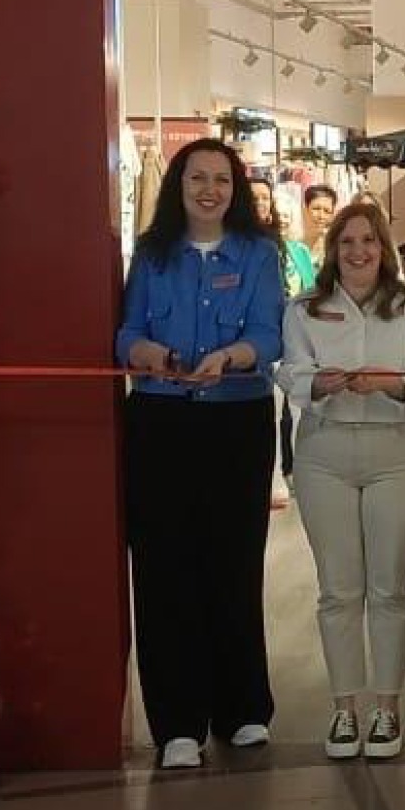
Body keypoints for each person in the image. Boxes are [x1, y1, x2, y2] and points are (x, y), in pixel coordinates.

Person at [116, 139, 286, 769]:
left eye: (221, 179)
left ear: (235, 189)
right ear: (178, 186)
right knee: (164, 567)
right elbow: (126, 332)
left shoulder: (260, 255)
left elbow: (268, 333)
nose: (210, 190)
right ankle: (177, 724)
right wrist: (150, 355)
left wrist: (231, 358)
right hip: (160, 421)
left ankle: (242, 708)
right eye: (197, 178)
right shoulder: (152, 255)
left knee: (234, 562)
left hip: (236, 420)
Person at [278, 203, 405, 761]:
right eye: (347, 241)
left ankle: (387, 706)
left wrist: (392, 383)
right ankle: (344, 706)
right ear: (332, 249)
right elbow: (290, 371)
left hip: (398, 453)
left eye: (369, 240)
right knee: (338, 588)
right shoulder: (304, 308)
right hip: (324, 454)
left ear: (384, 248)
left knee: (389, 585)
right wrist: (318, 383)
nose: (358, 251)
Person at [254, 177, 313, 508]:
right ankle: (274, 474)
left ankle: (299, 471)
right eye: (253, 197)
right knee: (273, 407)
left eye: (265, 198)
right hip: (265, 340)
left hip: (296, 336)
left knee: (300, 405)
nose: (260, 204)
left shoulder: (294, 251)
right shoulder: (242, 247)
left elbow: (311, 290)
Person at [303, 185, 339, 258]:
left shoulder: (333, 248)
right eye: (316, 209)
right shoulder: (291, 245)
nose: (321, 216)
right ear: (305, 209)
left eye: (327, 211)